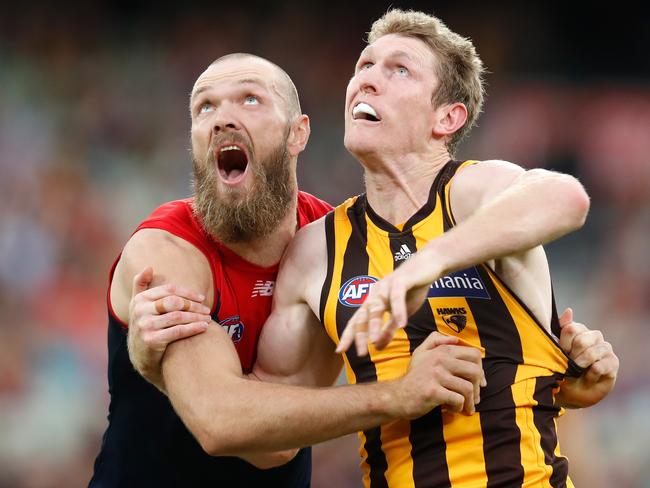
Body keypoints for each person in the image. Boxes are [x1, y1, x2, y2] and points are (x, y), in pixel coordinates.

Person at [129, 9, 619, 488]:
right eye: (363, 66)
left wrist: (422, 267)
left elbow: (567, 198)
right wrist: (161, 369)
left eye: (398, 69)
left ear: (447, 117)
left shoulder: (475, 192)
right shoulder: (318, 249)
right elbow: (265, 443)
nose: (366, 80)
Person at [90, 52, 486, 488]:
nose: (223, 118)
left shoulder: (331, 248)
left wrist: (563, 358)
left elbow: (456, 337)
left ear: (298, 133)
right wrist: (398, 395)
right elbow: (220, 421)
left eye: (250, 100)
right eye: (205, 106)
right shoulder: (166, 250)